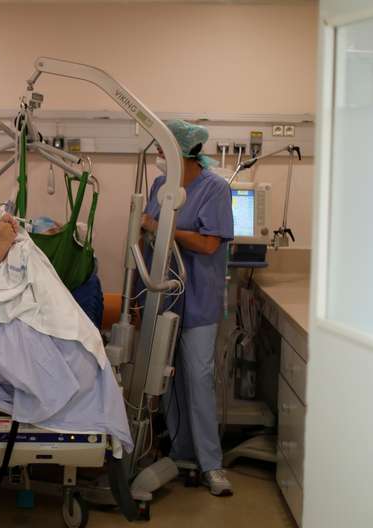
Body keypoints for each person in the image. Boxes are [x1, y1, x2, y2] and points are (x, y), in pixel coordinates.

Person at [140, 120, 234, 496]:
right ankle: (180, 454)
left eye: (165, 148)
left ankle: (212, 465)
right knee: (167, 379)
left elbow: (210, 244)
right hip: (162, 295)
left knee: (198, 381)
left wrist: (164, 226)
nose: (159, 155)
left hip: (198, 301)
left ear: (183, 151)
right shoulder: (161, 186)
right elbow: (147, 237)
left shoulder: (215, 189)